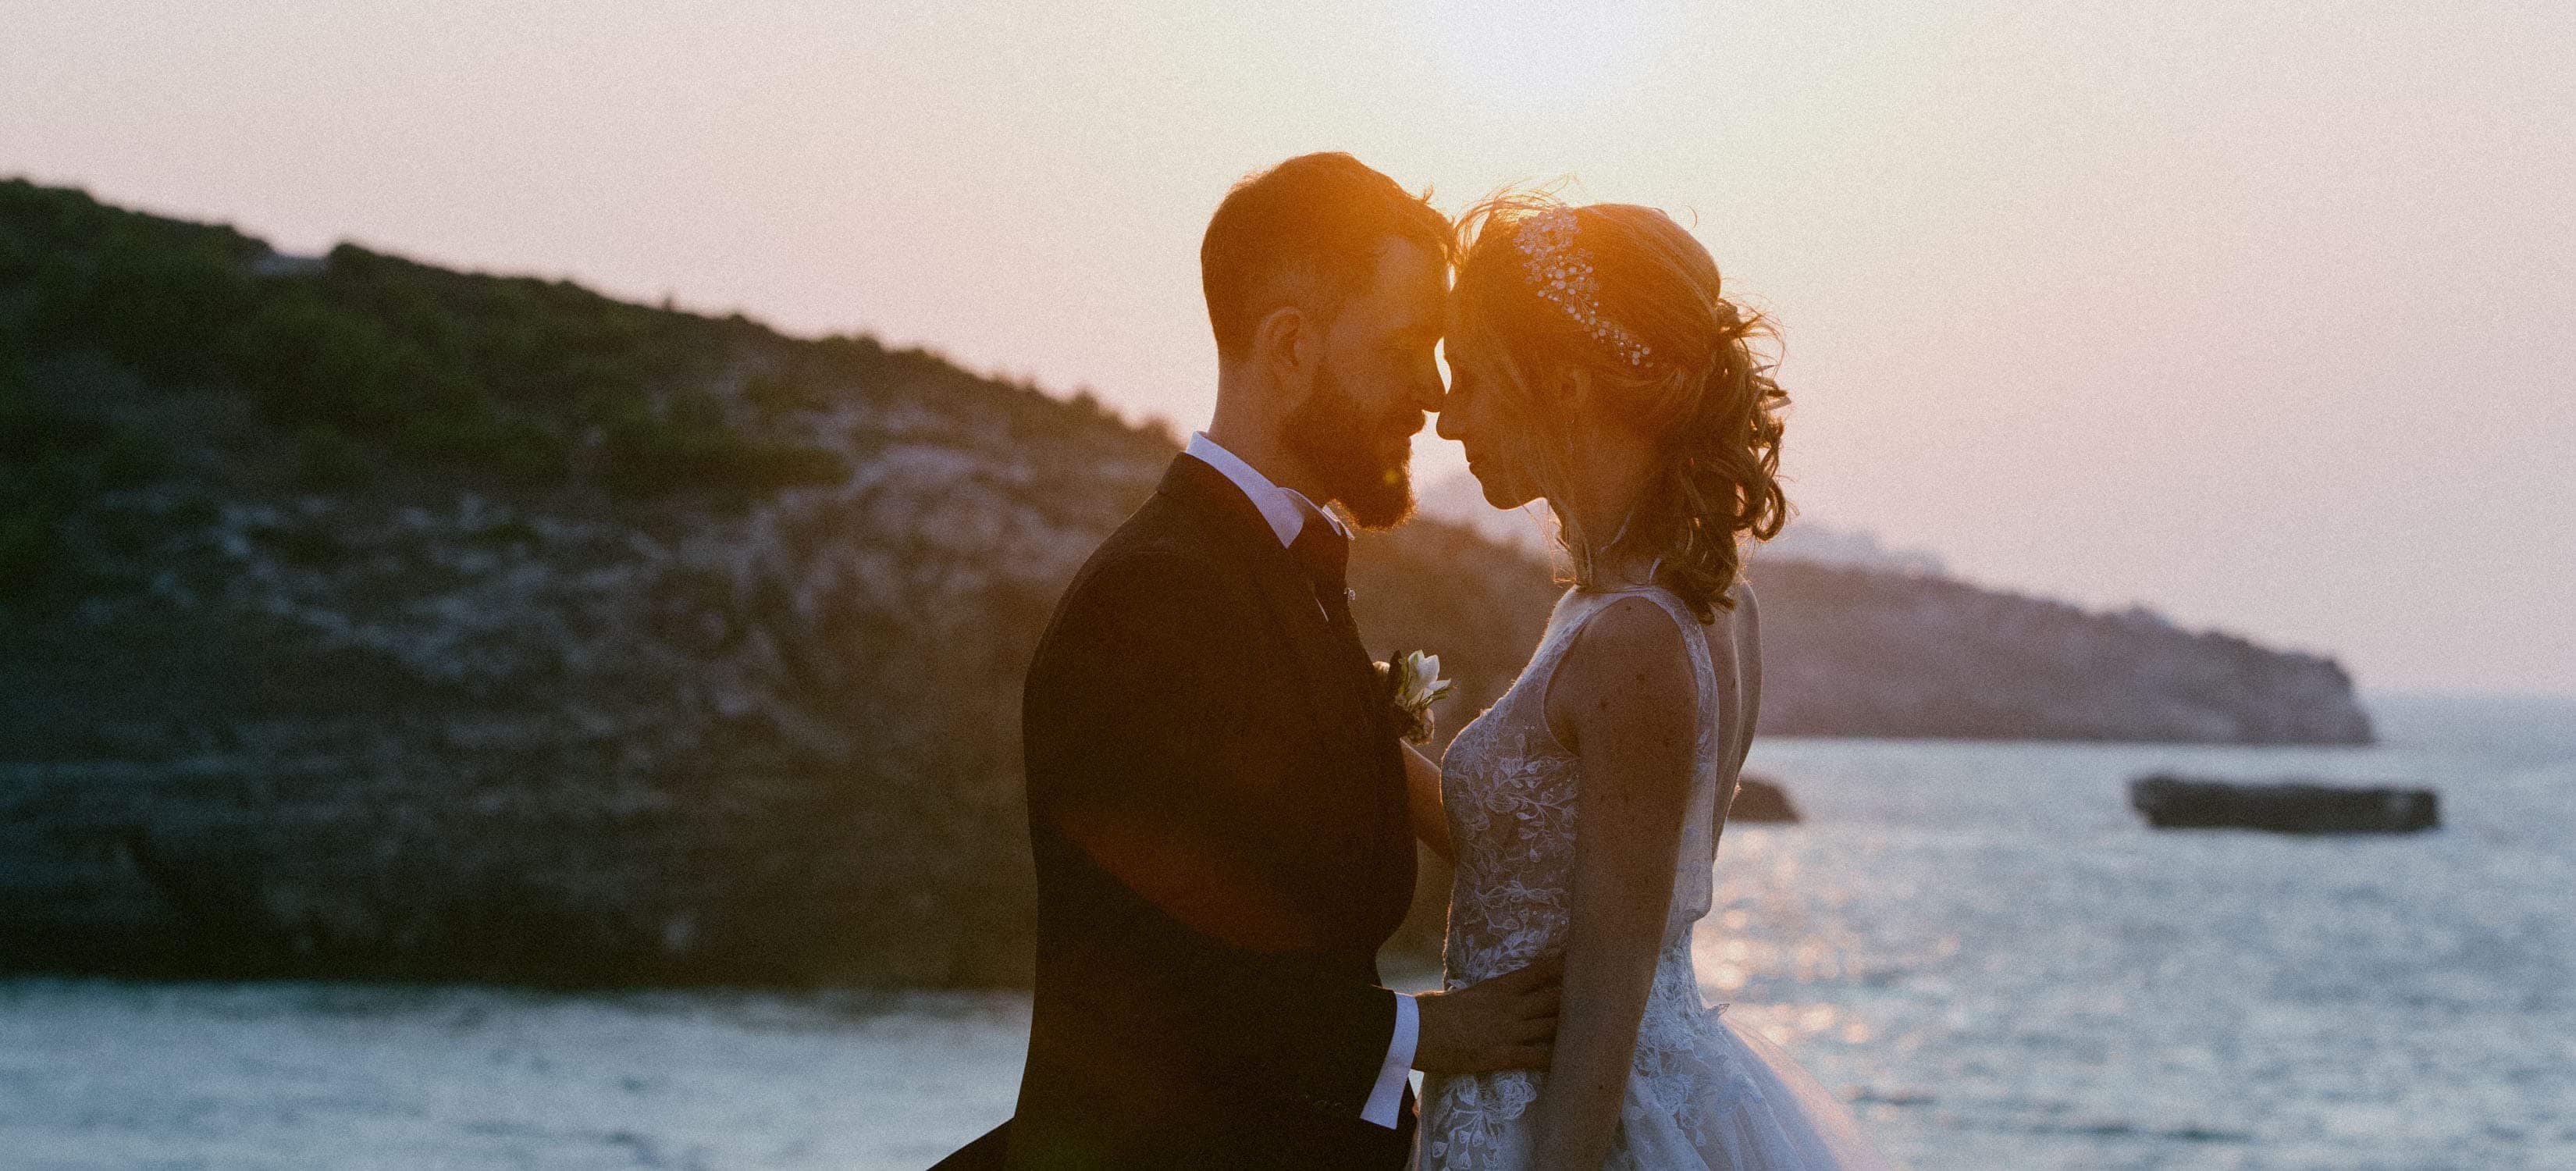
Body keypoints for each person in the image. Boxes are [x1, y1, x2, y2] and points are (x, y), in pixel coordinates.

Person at [937, 153, 1560, 1170]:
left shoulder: (1281, 576)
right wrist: (1436, 1034)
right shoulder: (1159, 595)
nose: (1433, 393)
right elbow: (1166, 975)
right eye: (1408, 346)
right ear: (1289, 347)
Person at [1417, 193, 1891, 1169]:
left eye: (1470, 377)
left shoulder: (1634, 635)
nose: (1448, 417)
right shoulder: (1703, 610)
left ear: (1567, 386)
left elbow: (1612, 981)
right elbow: (1549, 868)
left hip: (1559, 1125)